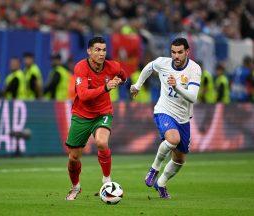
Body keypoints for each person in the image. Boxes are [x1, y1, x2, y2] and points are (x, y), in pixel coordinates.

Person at [130, 38, 202, 199]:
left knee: (179, 160)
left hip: (183, 118)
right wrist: (137, 85)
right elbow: (149, 67)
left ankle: (161, 183)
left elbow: (193, 97)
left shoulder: (194, 69)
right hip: (164, 110)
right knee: (173, 138)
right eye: (173, 52)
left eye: (180, 52)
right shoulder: (163, 63)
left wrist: (176, 86)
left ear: (187, 52)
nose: (176, 56)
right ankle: (154, 169)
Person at [65, 36, 126, 201]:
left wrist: (121, 81)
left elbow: (123, 75)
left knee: (101, 142)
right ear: (89, 51)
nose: (101, 53)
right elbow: (83, 95)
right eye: (97, 50)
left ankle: (107, 180)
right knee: (73, 158)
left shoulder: (112, 66)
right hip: (81, 114)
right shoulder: (81, 67)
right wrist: (106, 87)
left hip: (103, 113)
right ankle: (75, 187)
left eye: (104, 50)